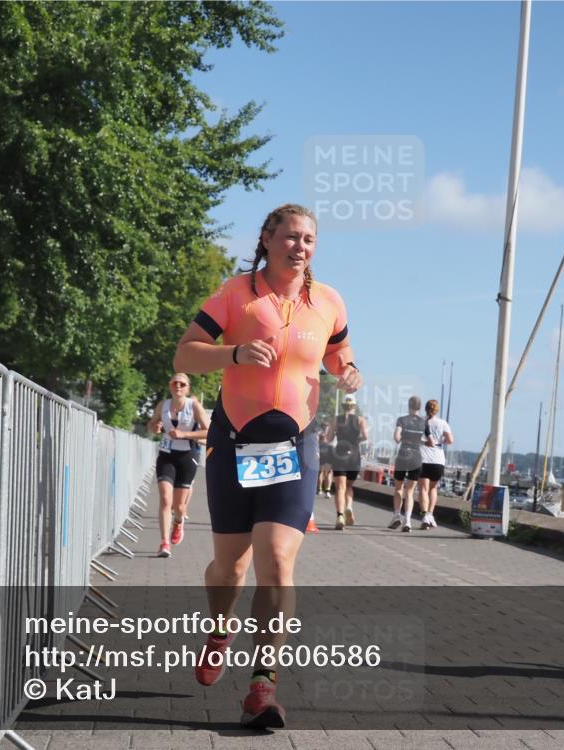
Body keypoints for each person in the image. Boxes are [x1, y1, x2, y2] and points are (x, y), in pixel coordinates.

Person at [173, 203, 360, 729]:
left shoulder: (328, 302)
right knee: (229, 571)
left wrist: (350, 372)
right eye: (291, 236)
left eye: (309, 240)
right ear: (268, 238)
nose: (300, 246)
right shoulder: (236, 293)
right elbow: (185, 355)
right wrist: (231, 355)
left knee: (276, 558)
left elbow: (339, 354)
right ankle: (218, 628)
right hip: (234, 443)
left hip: (294, 446)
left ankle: (263, 686)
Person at [146, 374, 210, 558]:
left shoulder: (193, 406)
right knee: (166, 499)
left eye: (182, 384)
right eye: (175, 383)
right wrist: (154, 427)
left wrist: (184, 434)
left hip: (187, 455)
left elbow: (208, 430)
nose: (178, 386)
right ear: (170, 385)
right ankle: (164, 543)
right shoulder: (163, 405)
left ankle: (179, 522)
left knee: (179, 506)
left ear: (188, 388)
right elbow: (151, 424)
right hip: (166, 456)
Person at [327, 396, 367, 530]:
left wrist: (335, 434)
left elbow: (329, 438)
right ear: (354, 406)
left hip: (339, 454)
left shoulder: (336, 419)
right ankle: (349, 506)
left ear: (343, 405)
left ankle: (340, 516)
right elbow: (365, 436)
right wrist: (357, 440)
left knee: (340, 488)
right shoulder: (360, 420)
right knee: (349, 486)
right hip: (354, 456)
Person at [390, 395, 424, 532]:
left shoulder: (402, 420)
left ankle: (397, 514)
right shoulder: (424, 422)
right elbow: (428, 440)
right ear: (419, 407)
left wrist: (403, 437)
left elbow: (397, 438)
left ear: (409, 406)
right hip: (416, 457)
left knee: (398, 488)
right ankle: (408, 520)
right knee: (410, 491)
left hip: (403, 455)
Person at [417, 399, 453, 529]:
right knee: (433, 488)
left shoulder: (420, 421)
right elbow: (450, 440)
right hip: (438, 459)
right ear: (436, 410)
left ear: (425, 409)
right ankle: (430, 514)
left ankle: (425, 515)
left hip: (423, 457)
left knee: (423, 489)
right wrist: (439, 440)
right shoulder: (443, 423)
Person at [317, 420, 334, 497]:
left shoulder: (319, 432)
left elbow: (316, 442)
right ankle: (327, 491)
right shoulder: (331, 433)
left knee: (320, 472)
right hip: (329, 451)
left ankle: (320, 489)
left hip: (320, 450)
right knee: (329, 473)